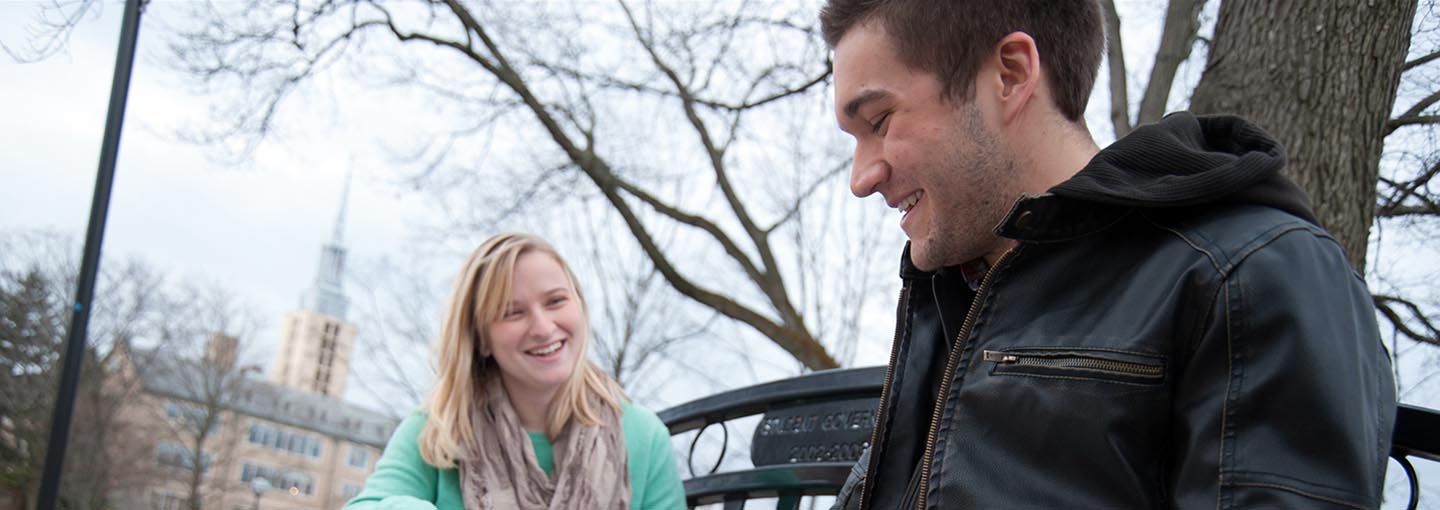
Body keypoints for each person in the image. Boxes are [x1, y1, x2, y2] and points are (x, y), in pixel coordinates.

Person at [820, 1, 1396, 509]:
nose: (861, 178)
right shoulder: (951, 296)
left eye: (879, 121)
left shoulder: (1249, 273)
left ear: (1010, 74)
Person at [345, 232, 686, 509]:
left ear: (580, 306)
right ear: (481, 339)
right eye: (512, 312)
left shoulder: (642, 436)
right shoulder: (439, 431)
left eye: (555, 301)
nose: (542, 327)